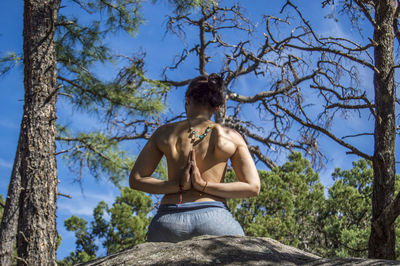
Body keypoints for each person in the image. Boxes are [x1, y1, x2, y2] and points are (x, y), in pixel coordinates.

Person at [129, 73, 260, 242]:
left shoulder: (164, 133)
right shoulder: (231, 136)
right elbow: (253, 187)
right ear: (217, 107)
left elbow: (136, 180)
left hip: (168, 222)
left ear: (188, 99)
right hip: (215, 220)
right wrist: (203, 186)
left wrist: (178, 186)